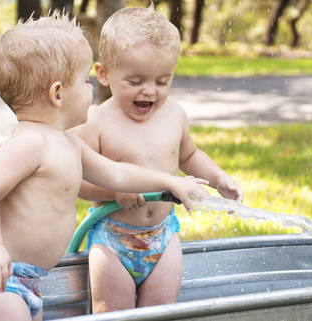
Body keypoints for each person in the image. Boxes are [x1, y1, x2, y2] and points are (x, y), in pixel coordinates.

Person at [0, 12, 208, 321]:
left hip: (29, 279)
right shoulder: (30, 142)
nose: (91, 89)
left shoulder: (70, 144)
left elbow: (117, 173)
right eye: (85, 80)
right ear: (58, 94)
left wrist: (170, 182)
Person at [75, 5, 244, 314]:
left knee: (161, 312)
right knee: (114, 314)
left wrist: (219, 177)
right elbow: (77, 181)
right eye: (136, 81)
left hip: (164, 238)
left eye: (162, 81)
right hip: (113, 239)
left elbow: (189, 155)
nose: (150, 91)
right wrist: (112, 192)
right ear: (104, 74)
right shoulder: (95, 122)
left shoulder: (174, 116)